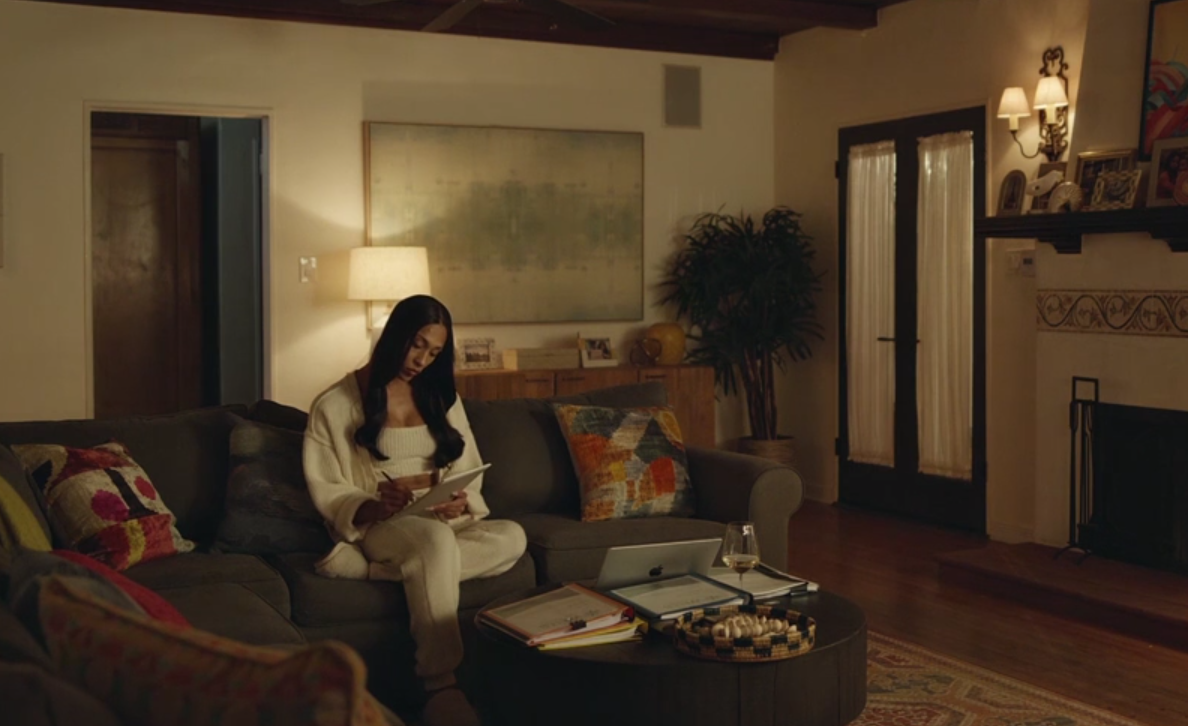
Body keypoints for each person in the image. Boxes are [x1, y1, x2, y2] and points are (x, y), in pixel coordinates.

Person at [303, 295, 526, 726]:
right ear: (396, 336)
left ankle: (384, 572)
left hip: (439, 521)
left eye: (434, 352)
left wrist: (460, 501)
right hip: (382, 526)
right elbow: (327, 487)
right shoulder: (334, 405)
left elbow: (466, 468)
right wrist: (372, 504)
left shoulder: (441, 396)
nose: (422, 360)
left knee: (512, 537)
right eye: (417, 344)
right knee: (434, 541)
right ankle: (440, 685)